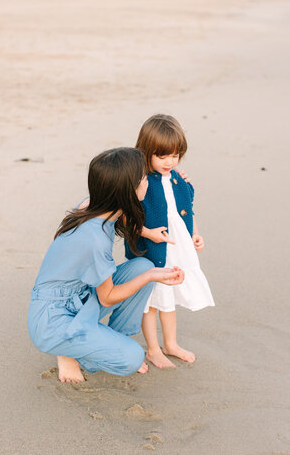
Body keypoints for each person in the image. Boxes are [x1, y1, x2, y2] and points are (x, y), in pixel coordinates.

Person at [28, 147, 184, 384]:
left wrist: (178, 180)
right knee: (131, 359)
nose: (148, 181)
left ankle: (106, 341)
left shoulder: (95, 205)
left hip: (77, 298)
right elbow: (108, 298)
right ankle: (73, 351)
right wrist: (152, 276)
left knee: (141, 265)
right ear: (126, 191)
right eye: (143, 178)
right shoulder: (94, 241)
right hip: (53, 321)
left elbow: (124, 220)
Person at [125, 115, 215, 369]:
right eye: (162, 156)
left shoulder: (177, 178)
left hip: (177, 249)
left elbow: (187, 209)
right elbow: (126, 219)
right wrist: (148, 233)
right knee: (151, 301)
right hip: (152, 251)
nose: (170, 162)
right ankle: (153, 349)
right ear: (146, 152)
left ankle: (171, 344)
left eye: (175, 156)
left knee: (169, 294)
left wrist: (195, 233)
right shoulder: (140, 181)